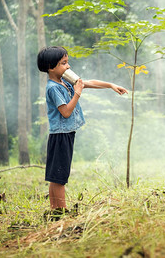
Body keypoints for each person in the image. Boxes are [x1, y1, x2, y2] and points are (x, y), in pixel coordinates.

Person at [37, 46, 128, 218]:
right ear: (51, 67)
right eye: (63, 63)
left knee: (58, 173)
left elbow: (86, 82)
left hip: (66, 133)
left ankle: (56, 210)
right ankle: (59, 212)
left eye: (67, 62)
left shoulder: (64, 81)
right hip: (60, 135)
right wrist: (77, 94)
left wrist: (110, 85)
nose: (68, 66)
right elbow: (65, 112)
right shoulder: (53, 88)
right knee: (59, 176)